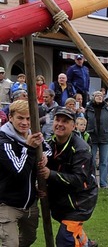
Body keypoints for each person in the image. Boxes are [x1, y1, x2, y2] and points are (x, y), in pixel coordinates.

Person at [40, 107, 98, 247]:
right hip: (62, 200)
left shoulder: (81, 149)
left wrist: (50, 174)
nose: (60, 124)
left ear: (73, 126)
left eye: (65, 121)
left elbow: (79, 180)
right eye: (57, 120)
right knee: (70, 231)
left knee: (65, 239)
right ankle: (86, 244)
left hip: (80, 202)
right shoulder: (49, 144)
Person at [0, 100, 46, 247]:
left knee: (28, 239)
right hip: (7, 204)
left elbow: (48, 150)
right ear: (10, 117)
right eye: (20, 118)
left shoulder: (33, 135)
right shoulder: (4, 141)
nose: (25, 123)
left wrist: (45, 157)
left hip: (30, 204)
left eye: (29, 118)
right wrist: (29, 148)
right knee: (11, 244)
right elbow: (19, 171)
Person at [85, 90, 108, 188]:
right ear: (93, 97)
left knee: (104, 161)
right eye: (97, 95)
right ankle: (92, 182)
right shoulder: (89, 109)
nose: (99, 97)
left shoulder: (107, 109)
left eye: (101, 95)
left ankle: (104, 184)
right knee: (91, 160)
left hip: (104, 137)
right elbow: (85, 121)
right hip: (92, 137)